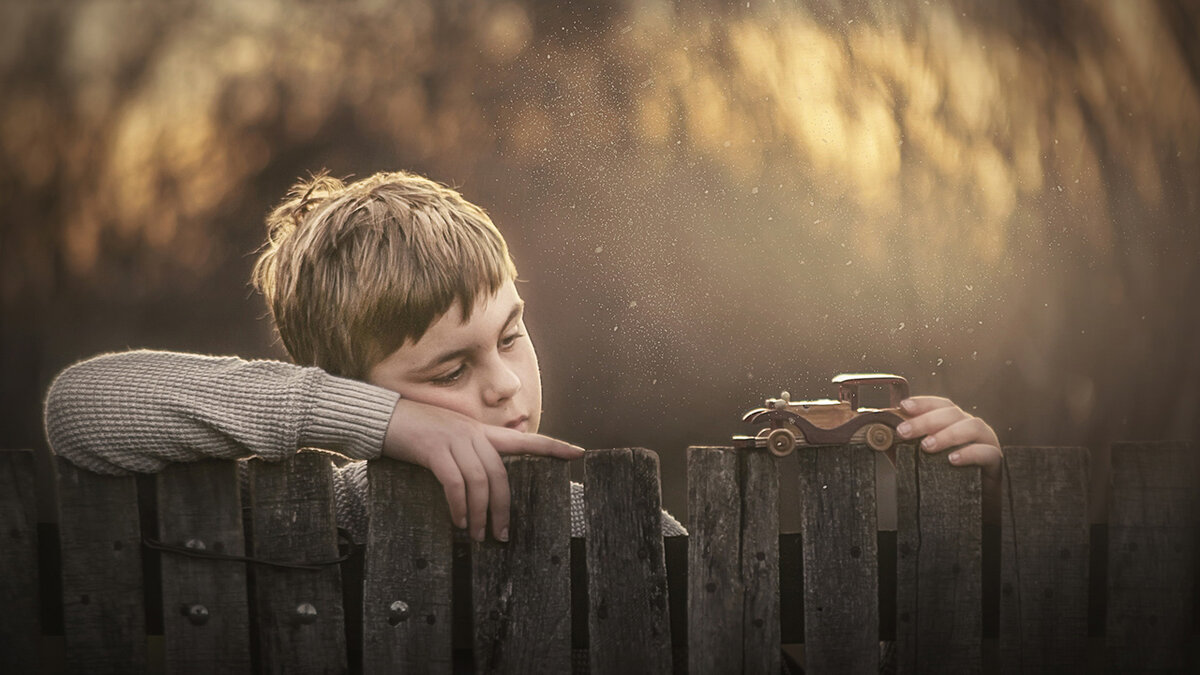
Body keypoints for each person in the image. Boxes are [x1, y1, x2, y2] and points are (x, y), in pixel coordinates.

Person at [44, 169, 1001, 548]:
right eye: (447, 372)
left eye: (509, 335)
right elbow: (80, 406)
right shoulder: (316, 510)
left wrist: (953, 496)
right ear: (353, 393)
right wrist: (383, 427)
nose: (504, 383)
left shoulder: (608, 516)